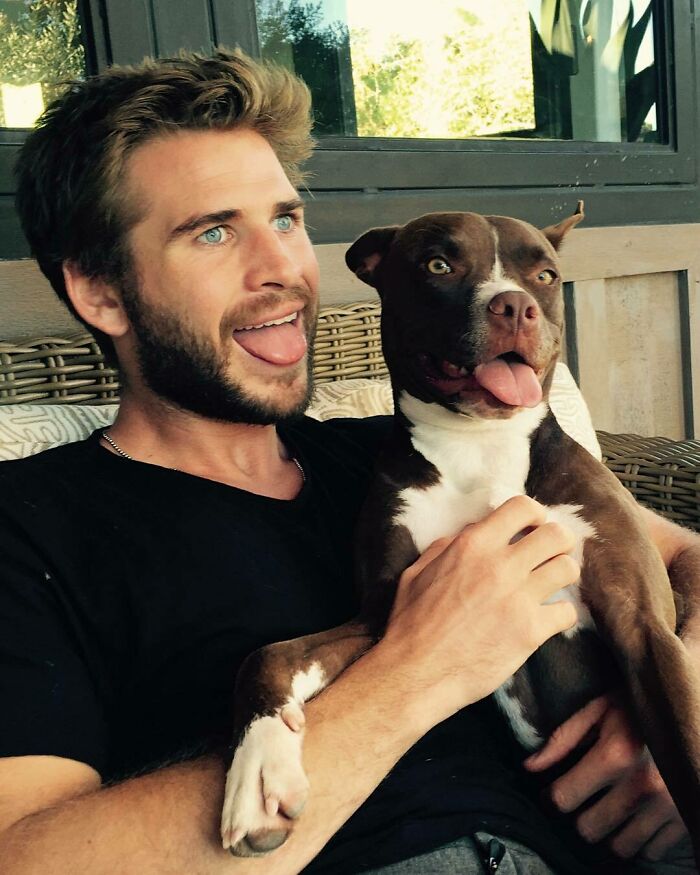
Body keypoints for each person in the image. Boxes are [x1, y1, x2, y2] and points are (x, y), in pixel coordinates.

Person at [0, 48, 698, 875]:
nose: (284, 273)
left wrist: (666, 712)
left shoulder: (413, 454)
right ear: (101, 293)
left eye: (286, 220)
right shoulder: (32, 526)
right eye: (215, 231)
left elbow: (684, 556)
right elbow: (25, 857)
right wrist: (421, 667)